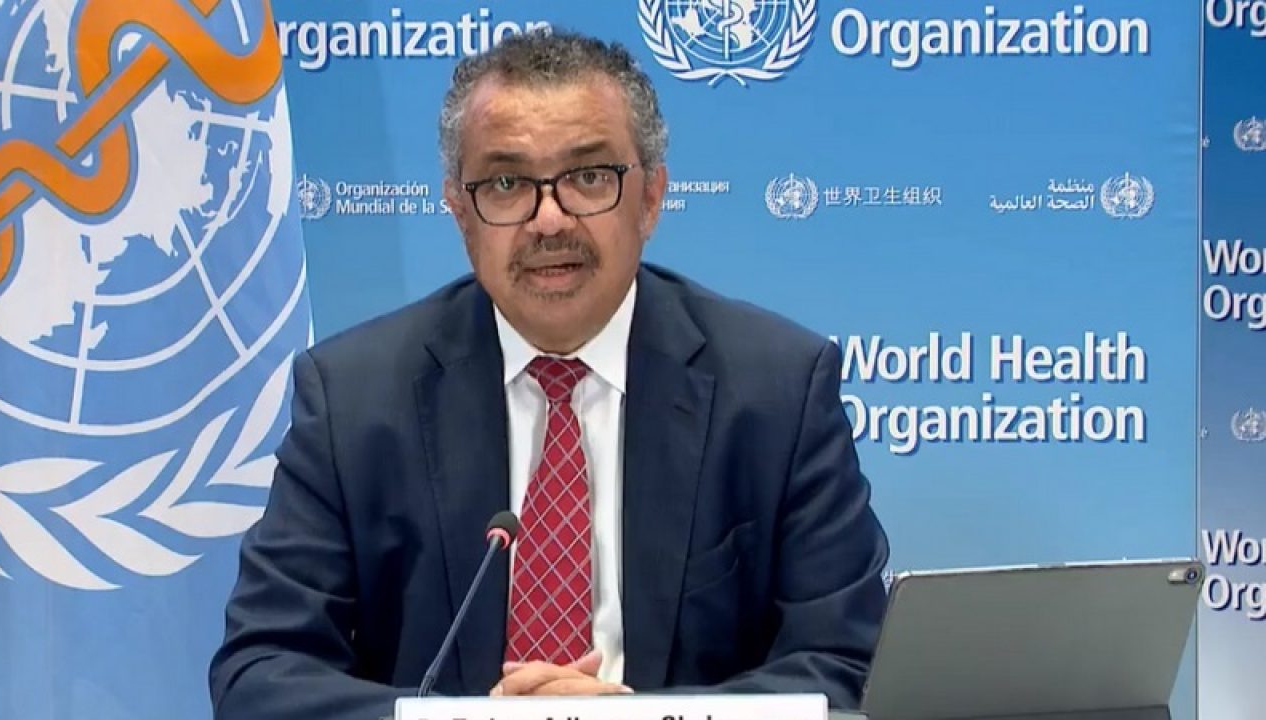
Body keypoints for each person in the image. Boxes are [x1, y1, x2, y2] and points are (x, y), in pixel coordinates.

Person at [209, 28, 889, 720]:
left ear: (651, 198)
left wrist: (634, 719)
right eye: (507, 184)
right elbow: (261, 675)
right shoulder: (354, 401)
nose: (549, 219)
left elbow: (848, 666)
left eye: (589, 177)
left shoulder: (776, 391)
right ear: (460, 212)